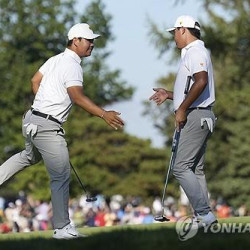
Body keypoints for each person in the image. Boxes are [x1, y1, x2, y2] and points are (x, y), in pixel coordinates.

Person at [0, 23, 124, 239]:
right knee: (60, 175)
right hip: (46, 125)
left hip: (31, 119)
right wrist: (103, 114)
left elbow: (34, 80)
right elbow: (77, 97)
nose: (92, 44)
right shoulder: (73, 65)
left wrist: (44, 102)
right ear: (75, 41)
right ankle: (62, 228)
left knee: (28, 156)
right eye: (88, 40)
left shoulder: (55, 59)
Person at [149, 15, 217, 227]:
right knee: (195, 169)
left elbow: (201, 81)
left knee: (180, 167)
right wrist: (170, 95)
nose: (174, 38)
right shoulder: (193, 52)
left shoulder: (195, 51)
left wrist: (182, 108)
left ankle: (205, 214)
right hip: (201, 113)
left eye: (174, 33)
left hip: (195, 114)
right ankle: (203, 216)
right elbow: (193, 87)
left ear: (183, 30)